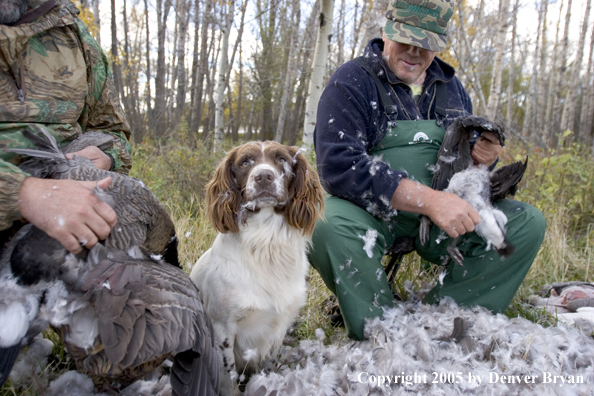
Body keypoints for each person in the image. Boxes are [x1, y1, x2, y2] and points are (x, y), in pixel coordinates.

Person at [309, 0, 546, 341]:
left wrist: (484, 158)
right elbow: (338, 166)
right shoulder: (352, 80)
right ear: (385, 31)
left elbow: (466, 165)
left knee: (527, 223)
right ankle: (380, 329)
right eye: (405, 39)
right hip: (373, 216)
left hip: (440, 224)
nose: (414, 52)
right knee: (324, 221)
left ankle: (443, 322)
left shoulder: (451, 87)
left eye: (426, 44)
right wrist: (430, 201)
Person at [0, 0, 132, 254]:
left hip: (70, 226)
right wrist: (26, 195)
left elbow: (114, 132)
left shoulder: (71, 31)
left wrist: (107, 155)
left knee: (166, 289)